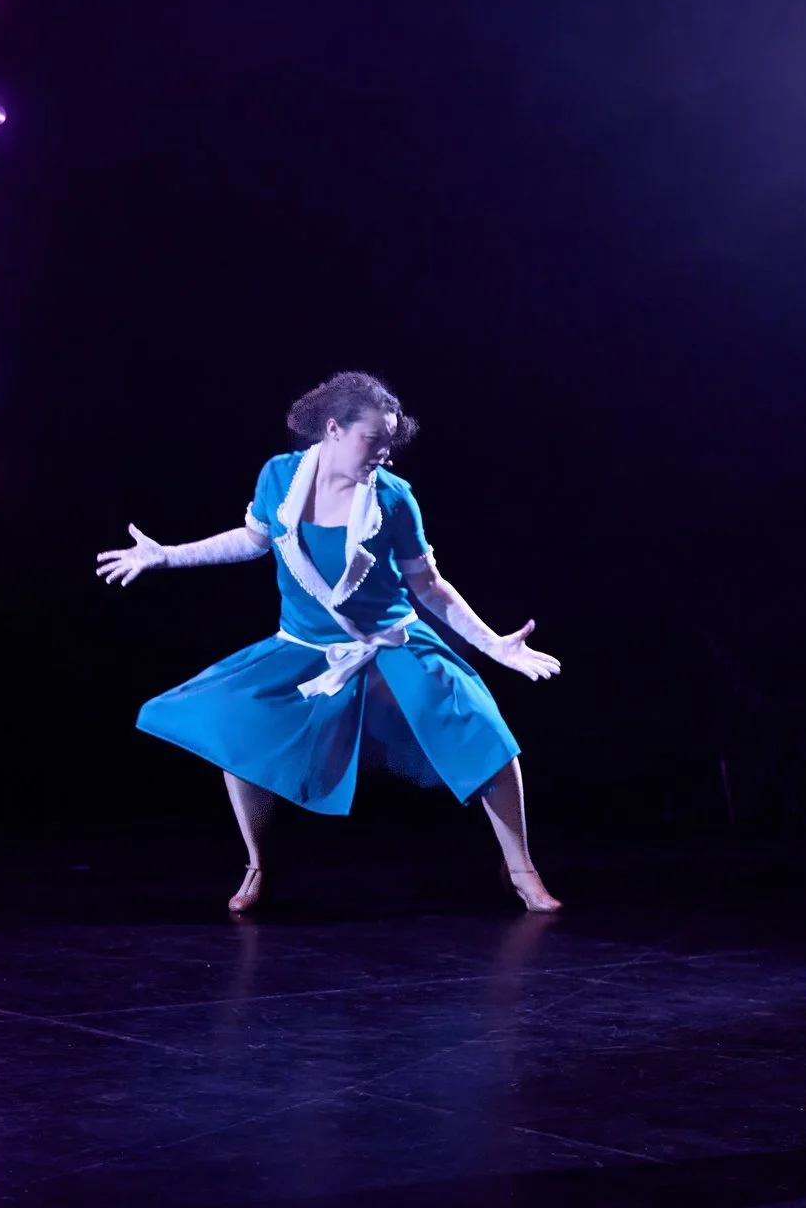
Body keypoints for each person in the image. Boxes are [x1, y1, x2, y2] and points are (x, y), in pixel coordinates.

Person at [97, 371, 564, 916]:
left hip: (390, 641)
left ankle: (521, 871)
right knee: (240, 732)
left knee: (481, 726)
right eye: (375, 438)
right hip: (303, 646)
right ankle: (260, 865)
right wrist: (167, 555)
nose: (385, 452)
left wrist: (495, 646)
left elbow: (428, 586)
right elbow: (253, 538)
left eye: (391, 440)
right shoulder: (279, 478)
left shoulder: (393, 500)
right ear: (334, 428)